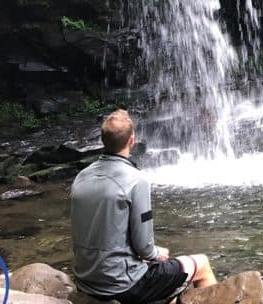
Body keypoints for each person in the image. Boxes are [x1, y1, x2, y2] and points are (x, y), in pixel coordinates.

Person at [70, 109, 217, 303]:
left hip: (85, 279)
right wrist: (157, 253)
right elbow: (144, 247)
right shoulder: (136, 181)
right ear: (132, 140)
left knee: (168, 290)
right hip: (122, 285)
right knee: (202, 264)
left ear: (102, 140)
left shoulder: (82, 177)